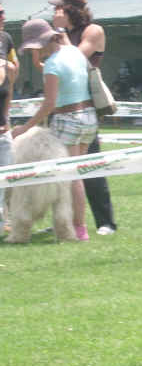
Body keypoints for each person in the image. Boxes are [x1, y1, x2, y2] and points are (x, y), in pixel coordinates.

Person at [12, 19, 98, 241]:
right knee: (74, 173)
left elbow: (49, 104)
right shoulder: (73, 52)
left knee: (68, 178)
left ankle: (76, 228)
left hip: (67, 119)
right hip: (88, 117)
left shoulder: (52, 64)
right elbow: (66, 74)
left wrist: (25, 128)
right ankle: (72, 226)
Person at [48, 0, 117, 236]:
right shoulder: (61, 32)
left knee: (90, 167)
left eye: (58, 9)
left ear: (70, 10)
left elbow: (75, 60)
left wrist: (59, 32)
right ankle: (65, 219)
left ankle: (105, 222)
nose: (55, 13)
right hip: (61, 106)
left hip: (85, 109)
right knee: (60, 169)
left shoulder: (93, 31)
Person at [0, 2, 17, 235]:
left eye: (3, 10)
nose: (2, 15)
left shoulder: (6, 39)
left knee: (7, 174)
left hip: (3, 128)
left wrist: (6, 115)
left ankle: (3, 218)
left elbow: (11, 77)